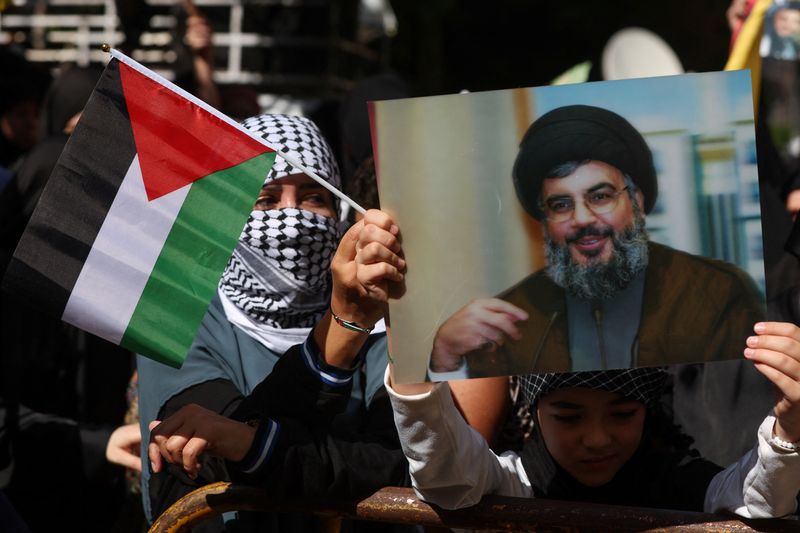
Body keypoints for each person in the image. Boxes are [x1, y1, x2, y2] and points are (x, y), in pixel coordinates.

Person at [137, 114, 505, 530]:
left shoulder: (384, 321)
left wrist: (252, 444)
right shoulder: (176, 312)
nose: (291, 219)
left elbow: (400, 467)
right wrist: (343, 326)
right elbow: (212, 453)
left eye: (314, 197)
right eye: (266, 200)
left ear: (338, 211)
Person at [355, 209, 800, 518]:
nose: (597, 438)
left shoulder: (684, 483)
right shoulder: (512, 482)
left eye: (623, 413)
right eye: (568, 415)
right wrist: (414, 365)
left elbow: (756, 499)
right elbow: (447, 479)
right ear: (533, 409)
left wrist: (790, 428)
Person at [429, 104, 765, 379]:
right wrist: (444, 360)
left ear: (638, 202)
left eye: (600, 196)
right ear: (544, 221)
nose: (583, 219)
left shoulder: (718, 294)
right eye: (560, 205)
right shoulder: (513, 318)